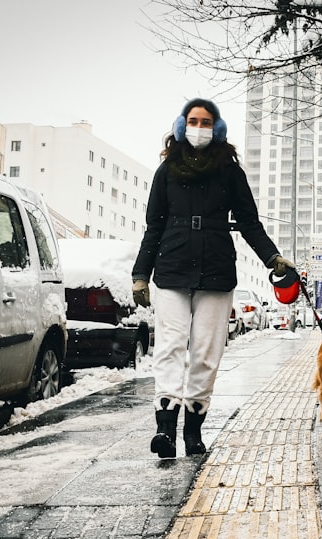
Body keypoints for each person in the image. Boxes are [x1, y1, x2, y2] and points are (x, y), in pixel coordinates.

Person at [131, 98, 295, 459]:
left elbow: (250, 223)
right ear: (181, 125)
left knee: (206, 354)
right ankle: (164, 431)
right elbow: (153, 226)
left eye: (206, 122)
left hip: (217, 272)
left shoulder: (230, 172)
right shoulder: (167, 171)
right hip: (172, 270)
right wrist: (141, 274)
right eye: (193, 120)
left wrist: (272, 257)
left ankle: (192, 432)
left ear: (216, 128)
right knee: (170, 348)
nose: (199, 127)